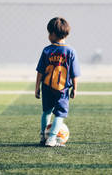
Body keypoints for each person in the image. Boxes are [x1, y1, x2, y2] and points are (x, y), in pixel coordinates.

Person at [35, 17, 80, 147]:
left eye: (49, 33)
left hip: (47, 87)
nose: (48, 36)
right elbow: (74, 74)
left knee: (47, 112)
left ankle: (43, 136)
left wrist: (37, 87)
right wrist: (75, 89)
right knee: (60, 114)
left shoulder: (47, 50)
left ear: (54, 34)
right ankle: (52, 138)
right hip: (62, 89)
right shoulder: (71, 51)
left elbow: (40, 71)